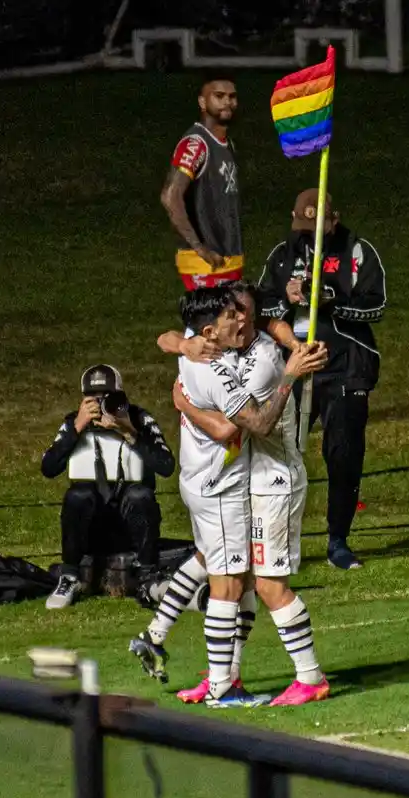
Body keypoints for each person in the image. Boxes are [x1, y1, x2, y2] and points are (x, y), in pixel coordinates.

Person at [133, 283, 332, 706]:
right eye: (232, 314)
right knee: (234, 580)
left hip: (273, 481)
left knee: (260, 585)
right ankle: (225, 675)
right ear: (211, 328)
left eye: (246, 314)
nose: (240, 320)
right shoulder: (214, 351)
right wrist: (179, 343)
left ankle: (304, 677)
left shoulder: (258, 360)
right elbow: (176, 338)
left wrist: (292, 362)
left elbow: (251, 424)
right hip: (237, 481)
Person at [258, 190, 386, 571]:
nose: (308, 235)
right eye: (302, 227)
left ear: (334, 219)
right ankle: (278, 541)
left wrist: (330, 299)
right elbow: (257, 307)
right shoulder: (282, 255)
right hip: (294, 367)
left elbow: (376, 304)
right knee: (280, 454)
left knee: (343, 454)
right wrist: (286, 296)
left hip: (345, 367)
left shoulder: (357, 251)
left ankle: (338, 541)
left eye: (317, 228)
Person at [39, 365, 175, 609]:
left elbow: (166, 465)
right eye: (93, 398)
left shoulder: (139, 419)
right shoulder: (75, 421)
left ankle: (148, 577)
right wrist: (77, 427)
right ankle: (70, 576)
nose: (101, 404)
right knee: (77, 495)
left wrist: (129, 432)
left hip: (130, 522)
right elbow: (49, 467)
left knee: (140, 494)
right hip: (92, 524)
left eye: (107, 397)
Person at [161, 77, 244, 290]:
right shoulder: (196, 144)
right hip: (206, 263)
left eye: (232, 97)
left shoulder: (227, 144)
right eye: (219, 96)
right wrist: (199, 248)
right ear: (202, 102)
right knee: (213, 322)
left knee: (237, 320)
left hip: (229, 258)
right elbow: (171, 196)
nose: (227, 102)